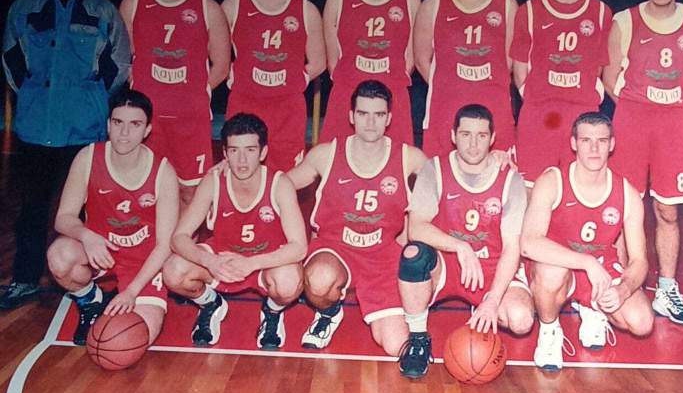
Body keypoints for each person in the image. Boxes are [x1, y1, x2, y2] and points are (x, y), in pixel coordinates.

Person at [1, 0, 131, 309]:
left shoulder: (103, 11)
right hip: (36, 129)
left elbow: (119, 65)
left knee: (92, 211)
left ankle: (92, 279)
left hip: (85, 129)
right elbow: (11, 61)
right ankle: (24, 280)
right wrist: (35, 96)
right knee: (32, 209)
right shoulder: (24, 8)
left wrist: (88, 99)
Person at [602, 0, 683, 326]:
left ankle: (666, 290)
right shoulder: (625, 20)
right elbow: (610, 77)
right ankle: (617, 285)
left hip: (673, 124)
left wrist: (663, 104)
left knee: (667, 210)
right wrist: (639, 104)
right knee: (624, 207)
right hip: (632, 120)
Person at [285, 80, 427, 355]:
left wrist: (493, 161)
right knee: (319, 279)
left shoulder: (408, 157)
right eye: (363, 113)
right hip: (335, 249)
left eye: (378, 114)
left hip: (383, 257)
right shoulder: (326, 154)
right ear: (351, 116)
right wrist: (232, 173)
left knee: (396, 345)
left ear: (389, 118)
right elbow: (279, 187)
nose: (370, 122)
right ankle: (329, 313)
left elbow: (446, 181)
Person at [397, 104, 533, 379]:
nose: (473, 144)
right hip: (446, 264)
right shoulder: (434, 169)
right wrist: (460, 246)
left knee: (521, 320)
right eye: (465, 134)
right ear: (453, 136)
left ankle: (481, 302)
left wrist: (493, 300)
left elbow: (512, 248)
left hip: (492, 266)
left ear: (492, 139)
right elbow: (417, 228)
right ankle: (418, 338)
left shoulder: (510, 179)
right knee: (413, 255)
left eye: (481, 136)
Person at [520, 112, 654, 371]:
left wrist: (624, 289)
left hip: (600, 269)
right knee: (552, 272)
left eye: (601, 141)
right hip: (556, 267)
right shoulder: (552, 181)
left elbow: (639, 261)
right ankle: (549, 331)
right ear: (574, 143)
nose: (594, 149)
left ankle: (591, 307)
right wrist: (587, 262)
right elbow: (529, 243)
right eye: (586, 141)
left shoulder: (627, 194)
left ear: (612, 144)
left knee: (642, 322)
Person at [162, 113, 307, 348]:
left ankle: (271, 311)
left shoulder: (280, 184)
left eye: (250, 150)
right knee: (173, 271)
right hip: (223, 261)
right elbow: (178, 237)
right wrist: (209, 261)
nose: (241, 160)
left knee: (289, 283)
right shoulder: (213, 181)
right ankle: (210, 303)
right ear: (225, 153)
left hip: (265, 264)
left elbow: (299, 247)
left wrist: (251, 263)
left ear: (263, 152)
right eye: (234, 150)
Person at [46, 89, 178, 346]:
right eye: (118, 122)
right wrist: (87, 236)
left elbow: (164, 246)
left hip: (143, 261)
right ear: (108, 124)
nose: (124, 133)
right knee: (60, 256)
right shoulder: (87, 157)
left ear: (147, 129)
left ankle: (129, 295)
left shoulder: (163, 172)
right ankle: (90, 299)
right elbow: (63, 218)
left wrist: (131, 292)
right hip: (100, 251)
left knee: (132, 340)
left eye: (135, 124)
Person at [120, 0, 231, 207]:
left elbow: (222, 65)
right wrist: (140, 86)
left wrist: (196, 93)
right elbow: (123, 60)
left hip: (190, 120)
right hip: (147, 119)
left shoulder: (207, 6)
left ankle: (182, 237)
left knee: (190, 193)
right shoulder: (134, 2)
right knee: (144, 190)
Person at [511, 0, 613, 188]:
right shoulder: (529, 10)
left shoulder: (601, 12)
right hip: (539, 116)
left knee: (578, 191)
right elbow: (519, 70)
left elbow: (600, 68)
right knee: (531, 190)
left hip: (581, 116)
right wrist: (538, 100)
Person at [221, 0, 326, 170]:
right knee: (240, 172)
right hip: (244, 103)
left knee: (287, 177)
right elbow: (216, 55)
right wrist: (233, 74)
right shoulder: (232, 6)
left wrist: (295, 79)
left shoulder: (305, 9)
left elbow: (319, 62)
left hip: (287, 108)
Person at [414, 0, 518, 157]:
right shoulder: (433, 4)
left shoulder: (507, 4)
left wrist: (479, 82)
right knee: (441, 174)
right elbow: (422, 60)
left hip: (494, 108)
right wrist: (451, 85)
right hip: (446, 110)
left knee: (498, 175)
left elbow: (510, 61)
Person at [320, 0, 419, 145]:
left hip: (393, 92)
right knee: (335, 157)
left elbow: (412, 57)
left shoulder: (410, 2)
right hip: (348, 92)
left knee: (397, 159)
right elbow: (332, 60)